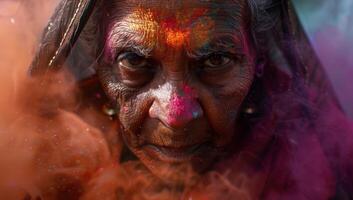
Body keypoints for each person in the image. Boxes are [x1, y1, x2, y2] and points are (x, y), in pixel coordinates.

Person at [25, 0, 353, 199]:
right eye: (136, 62)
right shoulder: (48, 157)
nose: (177, 113)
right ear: (100, 62)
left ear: (259, 60)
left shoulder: (319, 157)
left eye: (214, 61)